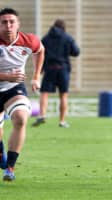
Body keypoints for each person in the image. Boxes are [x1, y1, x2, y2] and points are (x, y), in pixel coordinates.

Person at [0, 8, 44, 181]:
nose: (8, 26)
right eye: (4, 22)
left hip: (13, 89)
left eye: (12, 22)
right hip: (7, 81)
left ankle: (10, 167)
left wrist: (35, 77)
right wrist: (6, 76)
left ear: (18, 24)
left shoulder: (29, 41)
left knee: (20, 118)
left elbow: (40, 51)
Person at [32, 19, 80, 128]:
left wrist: (40, 70)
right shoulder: (68, 38)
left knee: (44, 93)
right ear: (64, 28)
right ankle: (62, 121)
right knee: (63, 95)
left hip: (50, 68)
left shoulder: (46, 38)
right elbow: (76, 52)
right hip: (63, 69)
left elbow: (40, 53)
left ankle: (42, 115)